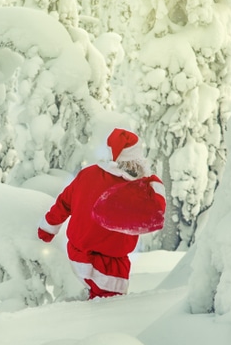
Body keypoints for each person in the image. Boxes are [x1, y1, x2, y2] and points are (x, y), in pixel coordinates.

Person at [37, 128, 166, 299]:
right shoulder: (135, 189)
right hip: (110, 266)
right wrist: (154, 183)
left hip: (77, 254)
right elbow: (157, 211)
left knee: (92, 301)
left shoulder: (87, 174)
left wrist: (48, 228)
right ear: (135, 160)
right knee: (107, 311)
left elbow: (64, 202)